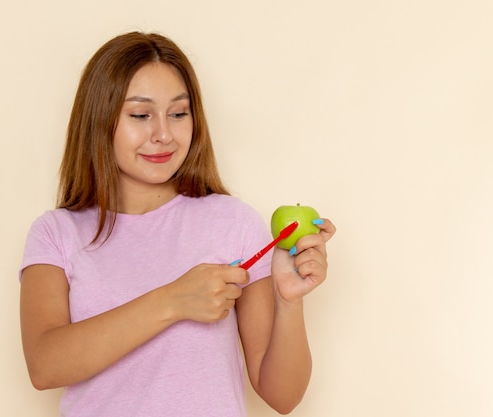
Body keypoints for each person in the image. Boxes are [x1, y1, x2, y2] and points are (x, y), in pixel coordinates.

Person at [19, 31, 336, 417]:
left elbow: (282, 397)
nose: (164, 134)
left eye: (178, 113)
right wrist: (174, 300)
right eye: (140, 115)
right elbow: (44, 365)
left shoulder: (232, 222)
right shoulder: (56, 233)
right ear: (99, 119)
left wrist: (288, 301)